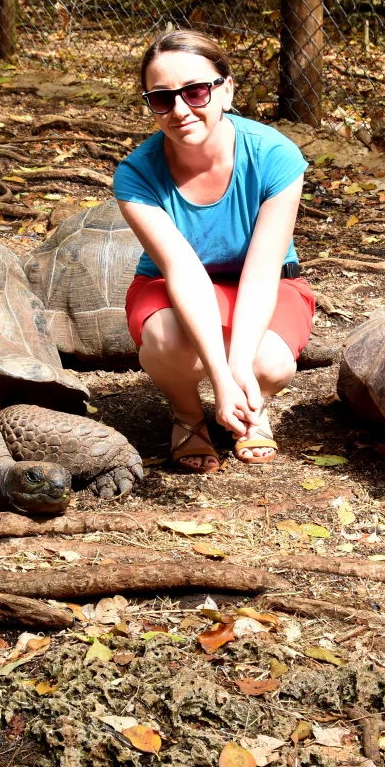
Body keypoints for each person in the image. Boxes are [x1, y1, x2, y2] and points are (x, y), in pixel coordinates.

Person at [114, 29, 313, 474]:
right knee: (166, 340)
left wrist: (237, 370)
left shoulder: (275, 155)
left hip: (263, 281)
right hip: (173, 284)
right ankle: (188, 414)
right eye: (162, 99)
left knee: (271, 361)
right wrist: (218, 379)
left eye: (196, 91)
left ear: (226, 90)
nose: (180, 110)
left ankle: (251, 401)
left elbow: (262, 272)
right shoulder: (135, 176)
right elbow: (183, 271)